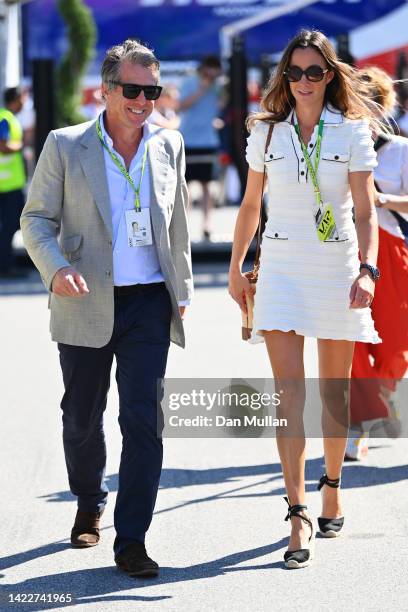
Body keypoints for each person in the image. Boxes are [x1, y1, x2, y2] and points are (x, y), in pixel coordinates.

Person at [20, 39, 193, 578]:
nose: (144, 100)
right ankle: (89, 499)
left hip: (146, 302)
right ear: (107, 90)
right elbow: (36, 219)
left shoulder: (169, 144)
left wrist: (181, 289)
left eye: (152, 90)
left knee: (144, 421)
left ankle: (132, 539)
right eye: (133, 90)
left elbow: (178, 221)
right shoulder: (66, 144)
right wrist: (55, 268)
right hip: (84, 297)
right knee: (81, 417)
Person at [229, 29, 381, 569]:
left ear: (330, 75)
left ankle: (332, 485)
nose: (304, 82)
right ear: (284, 78)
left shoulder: (353, 131)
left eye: (315, 72)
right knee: (289, 397)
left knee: (332, 395)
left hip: (337, 268)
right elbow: (250, 205)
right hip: (283, 268)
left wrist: (368, 269)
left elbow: (365, 212)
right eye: (295, 73)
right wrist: (236, 265)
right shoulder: (267, 132)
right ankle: (297, 512)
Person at [347, 67, 408, 460]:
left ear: (382, 107)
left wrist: (381, 200)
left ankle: (383, 394)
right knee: (350, 341)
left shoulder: (401, 149)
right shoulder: (336, 145)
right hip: (344, 249)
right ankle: (360, 422)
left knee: (396, 342)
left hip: (391, 249)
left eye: (370, 104)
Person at [178, 55, 222, 239]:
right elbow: (181, 106)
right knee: (184, 186)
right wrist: (201, 90)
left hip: (208, 141)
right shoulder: (189, 82)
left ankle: (207, 224)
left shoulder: (218, 86)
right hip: (187, 140)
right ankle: (184, 226)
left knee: (207, 186)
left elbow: (223, 104)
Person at [0, 87, 26, 277]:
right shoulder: (5, 119)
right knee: (8, 227)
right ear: (15, 99)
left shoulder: (8, 118)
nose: (24, 101)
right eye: (22, 97)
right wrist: (20, 145)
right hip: (7, 186)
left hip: (10, 184)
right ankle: (5, 267)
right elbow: (3, 145)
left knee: (10, 226)